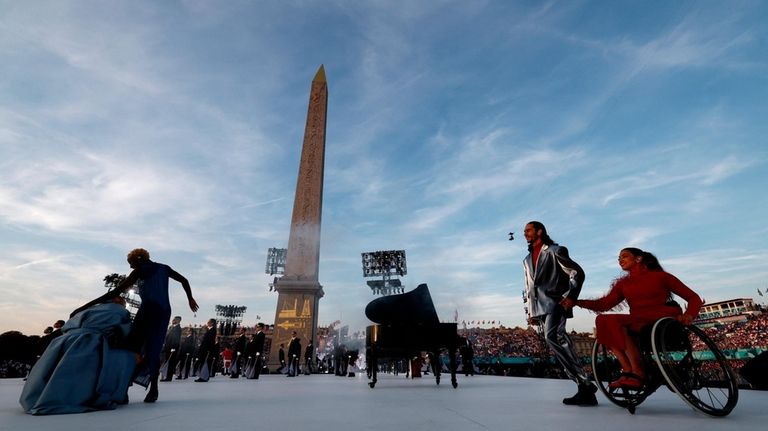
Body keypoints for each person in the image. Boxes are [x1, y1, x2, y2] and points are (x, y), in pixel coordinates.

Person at [71, 248, 199, 403]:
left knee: (133, 347)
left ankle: (125, 388)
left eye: (130, 263)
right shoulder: (164, 268)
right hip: (163, 311)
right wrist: (190, 299)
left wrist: (84, 306)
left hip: (149, 311)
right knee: (153, 348)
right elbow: (184, 280)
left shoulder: (139, 271)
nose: (130, 267)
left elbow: (115, 292)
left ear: (138, 260)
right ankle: (153, 390)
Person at [564, 248, 703, 389]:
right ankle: (628, 370)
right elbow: (604, 304)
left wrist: (689, 315)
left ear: (638, 258)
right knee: (602, 320)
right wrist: (577, 302)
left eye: (624, 256)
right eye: (618, 258)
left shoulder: (661, 277)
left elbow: (694, 298)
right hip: (638, 319)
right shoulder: (624, 284)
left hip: (663, 318)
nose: (620, 260)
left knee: (613, 321)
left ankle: (637, 371)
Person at [522, 221, 596, 406]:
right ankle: (585, 386)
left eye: (528, 230)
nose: (525, 233)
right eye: (524, 231)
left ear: (540, 231)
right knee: (555, 338)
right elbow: (529, 287)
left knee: (553, 336)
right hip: (541, 307)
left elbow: (577, 273)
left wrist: (571, 295)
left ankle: (584, 382)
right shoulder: (526, 260)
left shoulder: (556, 250)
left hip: (557, 301)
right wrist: (532, 312)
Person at [20, 298, 137, 415]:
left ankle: (38, 396)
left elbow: (68, 326)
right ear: (120, 303)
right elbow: (124, 331)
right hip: (91, 341)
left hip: (65, 340)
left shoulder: (89, 309)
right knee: (125, 358)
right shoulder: (120, 311)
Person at [161, 316, 182, 381]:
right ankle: (165, 375)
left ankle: (168, 377)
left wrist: (173, 347)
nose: (173, 320)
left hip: (172, 349)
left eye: (174, 319)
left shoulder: (178, 328)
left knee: (170, 363)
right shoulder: (171, 327)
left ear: (178, 320)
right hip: (167, 347)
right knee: (166, 361)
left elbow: (176, 339)